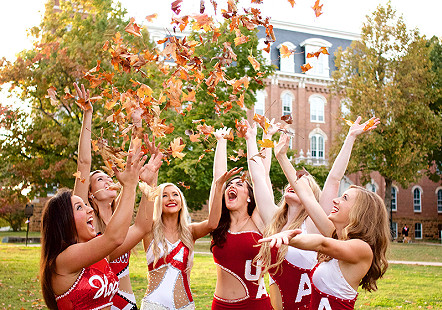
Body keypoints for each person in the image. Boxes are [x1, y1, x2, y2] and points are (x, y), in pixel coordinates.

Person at [247, 116, 379, 309]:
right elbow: (262, 178)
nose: (336, 200)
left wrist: (287, 237)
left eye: (344, 198)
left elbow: (333, 180)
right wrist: (278, 154)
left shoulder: (320, 228)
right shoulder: (278, 221)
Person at [72, 83, 162, 310]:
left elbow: (132, 162)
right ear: (90, 194)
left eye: (109, 177)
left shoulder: (120, 214)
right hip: (100, 303)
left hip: (127, 302)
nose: (109, 180)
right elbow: (83, 164)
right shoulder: (85, 225)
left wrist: (137, 125)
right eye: (100, 179)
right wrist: (87, 114)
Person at [40, 149, 148, 310]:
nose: (89, 209)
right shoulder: (64, 259)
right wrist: (130, 185)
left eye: (85, 205)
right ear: (63, 221)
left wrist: (150, 184)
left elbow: (141, 227)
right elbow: (114, 238)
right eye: (79, 207)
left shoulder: (98, 254)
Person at [139, 168, 238, 310]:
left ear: (181, 201)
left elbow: (212, 223)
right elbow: (144, 215)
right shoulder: (149, 230)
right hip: (154, 305)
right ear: (158, 201)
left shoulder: (190, 231)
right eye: (165, 196)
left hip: (185, 305)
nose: (171, 198)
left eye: (175, 194)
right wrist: (151, 180)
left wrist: (218, 188)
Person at [209, 127, 272, 310]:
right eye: (229, 185)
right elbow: (217, 180)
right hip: (220, 305)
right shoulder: (218, 222)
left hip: (256, 305)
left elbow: (262, 175)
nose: (231, 186)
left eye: (239, 184)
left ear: (250, 196)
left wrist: (254, 139)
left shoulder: (258, 220)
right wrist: (221, 141)